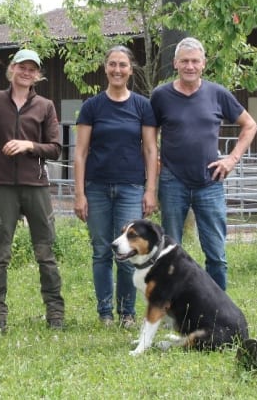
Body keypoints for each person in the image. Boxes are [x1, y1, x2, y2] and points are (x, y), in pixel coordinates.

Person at [150, 37, 257, 290]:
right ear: (175, 63)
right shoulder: (160, 95)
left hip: (210, 182)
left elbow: (250, 125)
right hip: (172, 180)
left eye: (195, 61)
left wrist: (232, 159)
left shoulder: (217, 93)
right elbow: (149, 133)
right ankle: (173, 307)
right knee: (169, 253)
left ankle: (218, 312)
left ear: (203, 64)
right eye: (184, 61)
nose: (190, 66)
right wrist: (154, 163)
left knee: (216, 254)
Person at [73, 45, 159, 329]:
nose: (117, 70)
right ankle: (105, 313)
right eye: (112, 64)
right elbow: (81, 152)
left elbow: (150, 150)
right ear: (105, 68)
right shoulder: (92, 107)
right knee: (101, 251)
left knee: (127, 252)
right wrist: (79, 193)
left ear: (130, 70)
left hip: (131, 187)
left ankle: (127, 313)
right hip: (96, 188)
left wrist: (150, 189)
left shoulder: (142, 106)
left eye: (123, 65)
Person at [0, 49, 65, 331]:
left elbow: (55, 148)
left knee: (45, 254)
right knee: (0, 256)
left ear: (37, 75)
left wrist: (29, 145)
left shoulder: (45, 105)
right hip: (1, 187)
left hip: (36, 187)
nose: (27, 73)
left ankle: (55, 314)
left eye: (32, 69)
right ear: (12, 70)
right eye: (22, 67)